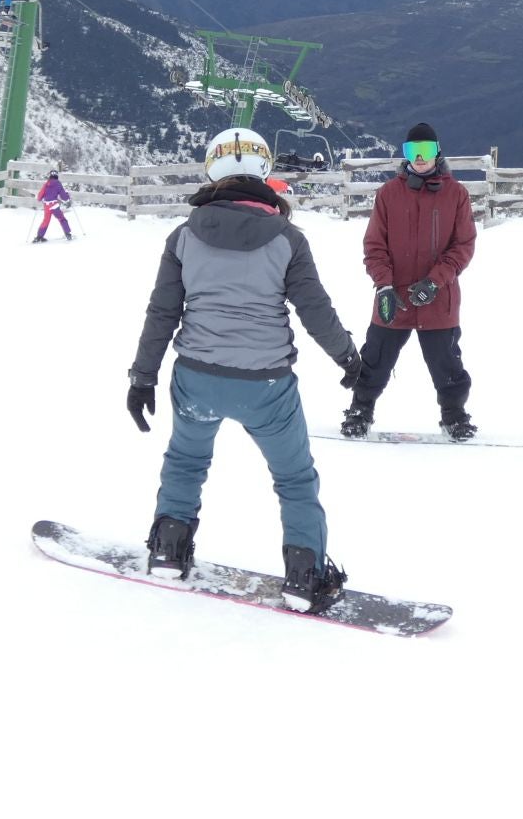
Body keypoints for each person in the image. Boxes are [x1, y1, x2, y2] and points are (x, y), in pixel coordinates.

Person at [126, 127, 363, 614]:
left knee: (187, 462)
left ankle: (168, 548)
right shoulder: (288, 239)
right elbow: (314, 308)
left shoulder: (183, 236)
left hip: (196, 376)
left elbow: (162, 313)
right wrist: (347, 358)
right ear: (264, 170)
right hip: (266, 384)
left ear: (211, 170)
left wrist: (142, 377)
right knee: (294, 478)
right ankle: (305, 577)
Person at [344, 121, 479, 441]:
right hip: (395, 297)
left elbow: (464, 246)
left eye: (426, 150)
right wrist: (384, 286)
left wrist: (435, 281)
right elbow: (374, 246)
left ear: (437, 153)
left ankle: (454, 415)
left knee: (446, 362)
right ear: (404, 155)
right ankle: (360, 410)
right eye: (412, 151)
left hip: (438, 298)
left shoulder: (456, 194)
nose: (420, 158)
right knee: (375, 358)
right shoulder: (389, 194)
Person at [33, 169, 72, 242]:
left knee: (46, 221)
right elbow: (63, 196)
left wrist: (40, 198)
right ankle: (68, 234)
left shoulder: (46, 184)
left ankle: (39, 237)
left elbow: (39, 196)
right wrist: (67, 196)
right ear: (57, 175)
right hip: (54, 205)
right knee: (61, 218)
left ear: (50, 176)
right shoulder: (58, 184)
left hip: (46, 206)